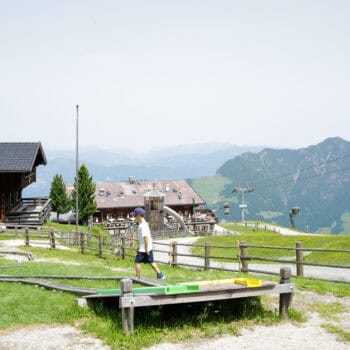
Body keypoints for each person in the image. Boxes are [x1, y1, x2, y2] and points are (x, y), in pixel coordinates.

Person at [131, 207, 166, 280]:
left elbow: (146, 238)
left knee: (137, 261)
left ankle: (137, 277)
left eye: (135, 215)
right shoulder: (143, 224)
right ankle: (160, 275)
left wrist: (146, 249)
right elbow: (143, 238)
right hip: (146, 247)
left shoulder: (142, 225)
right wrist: (139, 247)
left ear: (139, 215)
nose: (134, 217)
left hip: (144, 249)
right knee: (151, 261)